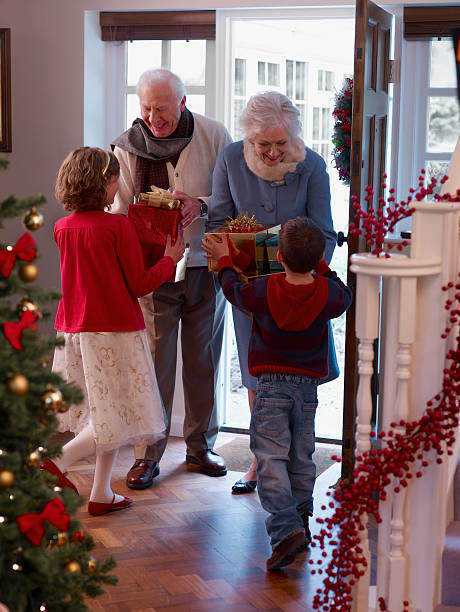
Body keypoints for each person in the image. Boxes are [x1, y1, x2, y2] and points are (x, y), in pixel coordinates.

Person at [202, 217, 351, 570]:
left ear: (279, 257)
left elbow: (232, 291)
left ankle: (285, 532)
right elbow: (344, 292)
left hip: (270, 388)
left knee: (269, 459)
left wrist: (225, 261)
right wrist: (321, 266)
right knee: (301, 457)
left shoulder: (264, 289)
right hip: (307, 390)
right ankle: (301, 520)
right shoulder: (329, 294)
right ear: (316, 258)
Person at [207, 91, 337, 494]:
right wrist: (232, 266)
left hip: (301, 292)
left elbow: (326, 234)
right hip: (252, 298)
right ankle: (261, 466)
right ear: (249, 138)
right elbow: (217, 224)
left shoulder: (312, 167)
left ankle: (297, 468)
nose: (274, 152)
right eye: (264, 145)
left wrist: (297, 272)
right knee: (257, 380)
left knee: (300, 385)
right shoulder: (230, 159)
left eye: (281, 144)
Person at [43, 147, 185, 516]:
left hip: (73, 331)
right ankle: (56, 460)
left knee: (100, 411)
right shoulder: (117, 226)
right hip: (114, 332)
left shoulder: (62, 228)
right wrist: (171, 258)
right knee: (114, 413)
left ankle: (101, 493)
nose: (116, 186)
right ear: (104, 183)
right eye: (113, 180)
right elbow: (139, 285)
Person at [111, 68, 232, 489]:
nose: (153, 116)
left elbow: (235, 197)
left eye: (161, 108)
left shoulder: (215, 136)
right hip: (153, 272)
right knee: (154, 366)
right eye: (145, 108)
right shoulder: (127, 147)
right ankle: (148, 455)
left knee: (203, 361)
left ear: (182, 103)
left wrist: (200, 205)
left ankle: (201, 447)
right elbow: (119, 209)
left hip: (205, 265)